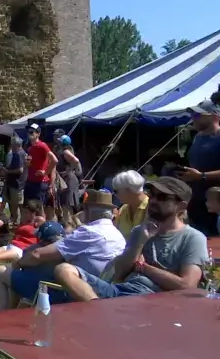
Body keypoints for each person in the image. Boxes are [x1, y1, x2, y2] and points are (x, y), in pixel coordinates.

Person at [54, 177, 207, 300]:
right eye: (151, 194)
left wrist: (143, 267)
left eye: (162, 197)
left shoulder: (193, 238)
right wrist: (139, 242)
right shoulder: (140, 231)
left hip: (151, 299)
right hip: (120, 290)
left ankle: (101, 311)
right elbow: (119, 274)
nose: (153, 200)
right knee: (63, 269)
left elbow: (187, 285)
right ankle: (98, 308)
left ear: (181, 206)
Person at [5, 189, 126, 307]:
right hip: (106, 289)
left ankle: (0, 320)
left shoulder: (88, 232)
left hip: (73, 293)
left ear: (88, 210)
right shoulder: (119, 235)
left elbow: (37, 254)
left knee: (1, 273)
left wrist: (19, 263)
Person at [0, 220, 65, 315]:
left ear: (43, 240)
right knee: (16, 275)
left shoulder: (37, 251)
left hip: (42, 291)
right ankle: (10, 312)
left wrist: (20, 261)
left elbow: (18, 263)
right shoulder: (70, 250)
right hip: (63, 293)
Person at [177, 100, 220, 235]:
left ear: (214, 116)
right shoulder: (197, 138)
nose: (193, 118)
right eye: (192, 115)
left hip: (216, 204)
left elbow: (201, 173)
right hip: (197, 203)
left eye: (197, 115)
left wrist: (202, 176)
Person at [24, 123, 57, 204]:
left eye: (32, 132)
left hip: (39, 183)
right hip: (30, 181)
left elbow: (55, 160)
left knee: (39, 209)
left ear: (38, 134)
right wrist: (27, 164)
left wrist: (45, 172)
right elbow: (31, 164)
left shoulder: (42, 145)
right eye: (28, 132)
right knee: (30, 209)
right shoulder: (30, 148)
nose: (29, 134)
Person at [112, 170, 149, 238]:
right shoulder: (123, 209)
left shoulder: (151, 207)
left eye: (116, 191)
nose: (115, 194)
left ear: (129, 190)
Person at [54, 134, 81, 225]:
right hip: (67, 179)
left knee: (67, 203)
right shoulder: (66, 150)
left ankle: (69, 224)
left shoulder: (66, 151)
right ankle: (71, 223)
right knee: (67, 203)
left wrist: (69, 171)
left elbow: (76, 161)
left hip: (69, 179)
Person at [3, 136, 27, 223]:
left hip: (18, 184)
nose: (11, 147)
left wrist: (8, 171)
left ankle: (20, 222)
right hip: (16, 183)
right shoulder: (21, 153)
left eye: (12, 145)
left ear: (16, 145)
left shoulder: (19, 154)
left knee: (18, 204)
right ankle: (16, 221)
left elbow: (20, 170)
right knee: (15, 204)